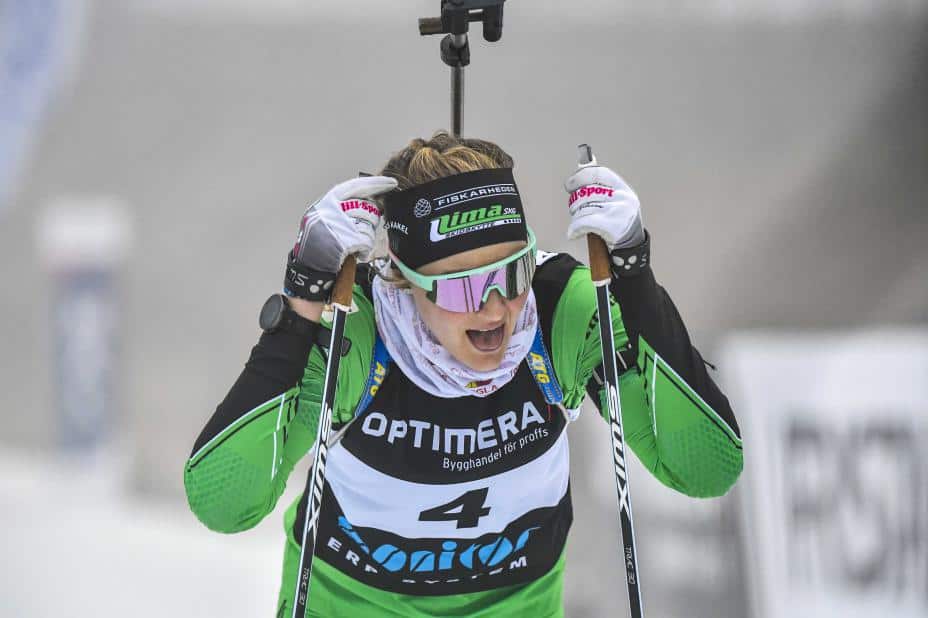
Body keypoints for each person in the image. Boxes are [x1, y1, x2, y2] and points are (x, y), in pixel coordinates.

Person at [184, 131, 743, 617]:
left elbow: (706, 469)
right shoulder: (360, 331)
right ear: (403, 279)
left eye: (513, 271)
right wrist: (305, 296)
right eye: (461, 287)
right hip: (351, 604)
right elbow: (224, 502)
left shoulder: (559, 314)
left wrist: (634, 274)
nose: (495, 308)